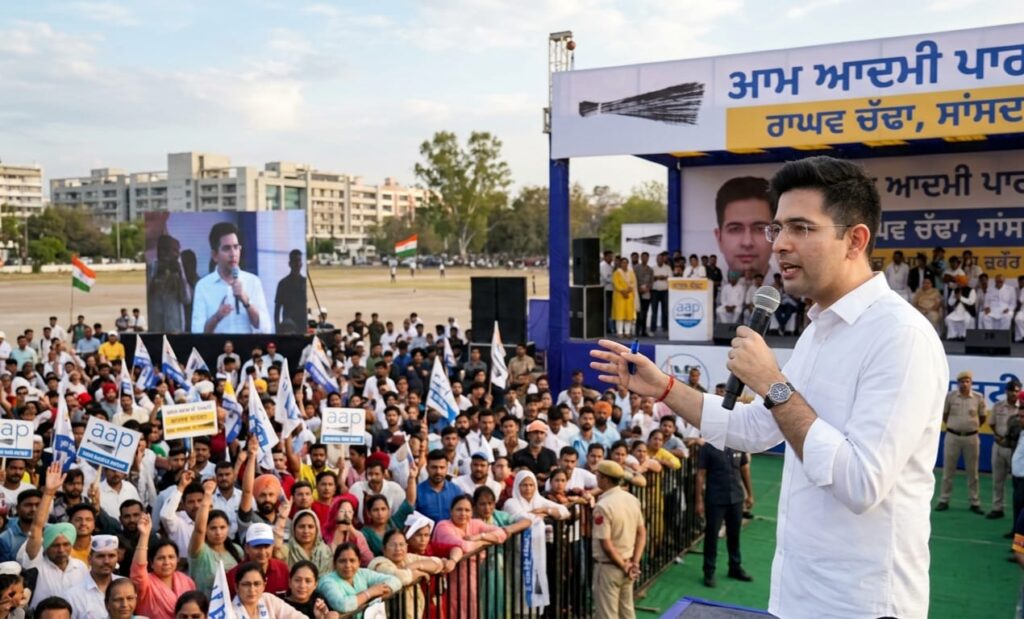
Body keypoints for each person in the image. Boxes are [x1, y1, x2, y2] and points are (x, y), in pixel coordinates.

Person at [590, 156, 948, 618]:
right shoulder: (819, 329)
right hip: (797, 596)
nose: (780, 245)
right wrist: (663, 389)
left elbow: (861, 482)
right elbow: (759, 427)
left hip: (861, 604)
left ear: (855, 240)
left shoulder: (901, 337)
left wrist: (774, 384)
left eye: (801, 227)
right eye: (777, 229)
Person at [18, 463, 89, 609]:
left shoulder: (80, 567)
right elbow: (37, 527)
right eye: (56, 545)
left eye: (66, 544)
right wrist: (48, 494)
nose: (62, 549)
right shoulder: (36, 564)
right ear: (46, 545)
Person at [432, 495, 508, 619]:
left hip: (474, 578)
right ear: (451, 511)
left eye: (467, 510)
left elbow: (502, 534)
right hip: (451, 579)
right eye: (459, 509)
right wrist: (485, 543)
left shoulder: (475, 524)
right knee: (455, 610)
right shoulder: (443, 526)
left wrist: (480, 536)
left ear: (472, 512)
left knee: (474, 609)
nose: (463, 514)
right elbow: (464, 546)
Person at [191, 221, 271, 334]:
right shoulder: (203, 286)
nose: (233, 253)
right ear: (214, 255)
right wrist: (217, 317)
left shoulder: (253, 281)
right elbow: (197, 332)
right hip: (217, 350)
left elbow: (265, 328)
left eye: (236, 247)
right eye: (226, 248)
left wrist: (246, 301)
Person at [590, 460, 645, 619]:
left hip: (609, 567)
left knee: (607, 614)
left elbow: (606, 543)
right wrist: (634, 562)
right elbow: (642, 532)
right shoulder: (631, 499)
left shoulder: (603, 506)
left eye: (599, 475)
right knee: (626, 612)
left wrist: (624, 566)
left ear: (606, 479)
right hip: (628, 563)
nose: (597, 478)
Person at [696, 440, 754, 588]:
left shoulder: (738, 445)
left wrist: (750, 494)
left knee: (734, 534)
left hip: (736, 497)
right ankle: (709, 571)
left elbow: (745, 469)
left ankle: (735, 567)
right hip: (715, 499)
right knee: (712, 535)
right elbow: (701, 474)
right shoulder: (707, 448)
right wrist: (699, 501)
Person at [936, 370, 987, 513]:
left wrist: (970, 427)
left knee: (973, 472)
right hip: (952, 437)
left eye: (967, 381)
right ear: (958, 383)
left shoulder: (978, 397)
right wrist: (955, 426)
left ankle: (974, 502)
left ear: (971, 383)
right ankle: (944, 500)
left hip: (971, 438)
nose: (964, 384)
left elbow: (982, 417)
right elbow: (945, 415)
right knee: (948, 471)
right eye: (961, 382)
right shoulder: (950, 397)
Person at [368, 530, 446, 619]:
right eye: (393, 545)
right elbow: (401, 577)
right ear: (384, 549)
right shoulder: (378, 563)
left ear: (406, 546)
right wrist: (419, 573)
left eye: (401, 544)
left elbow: (438, 563)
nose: (398, 549)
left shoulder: (408, 558)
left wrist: (416, 565)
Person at [130, 514, 196, 619]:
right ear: (151, 563)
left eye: (171, 557)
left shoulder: (186, 580)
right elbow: (138, 569)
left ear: (178, 559)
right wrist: (144, 535)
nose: (167, 562)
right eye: (161, 558)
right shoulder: (146, 583)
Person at [712, 176, 774, 278]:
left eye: (759, 229)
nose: (747, 242)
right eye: (735, 229)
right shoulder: (713, 290)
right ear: (719, 238)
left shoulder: (792, 292)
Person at [316, 543, 400, 613]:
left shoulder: (362, 573)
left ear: (359, 562)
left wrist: (381, 592)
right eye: (342, 561)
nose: (348, 565)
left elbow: (396, 581)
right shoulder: (327, 581)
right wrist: (370, 593)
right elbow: (343, 605)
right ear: (334, 563)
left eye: (352, 560)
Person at [65, 534, 121, 619]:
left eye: (111, 556)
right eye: (100, 556)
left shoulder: (125, 586)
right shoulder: (72, 596)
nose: (106, 561)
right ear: (90, 559)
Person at [231, 561, 312, 619]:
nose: (252, 590)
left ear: (264, 585)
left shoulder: (268, 599)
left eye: (257, 584)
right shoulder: (229, 612)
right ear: (236, 587)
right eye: (246, 584)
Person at [147, 234, 192, 333]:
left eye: (177, 251)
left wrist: (180, 274)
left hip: (175, 328)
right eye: (174, 250)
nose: (176, 254)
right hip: (156, 329)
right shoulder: (151, 268)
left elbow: (187, 299)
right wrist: (156, 274)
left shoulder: (178, 270)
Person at [990, 380, 1021, 519]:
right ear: (1006, 391)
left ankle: (1019, 510)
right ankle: (997, 508)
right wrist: (998, 436)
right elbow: (991, 423)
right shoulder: (998, 406)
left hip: (1015, 449)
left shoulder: (1022, 408)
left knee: (1018, 482)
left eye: (1016, 390)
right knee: (998, 479)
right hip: (999, 445)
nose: (1014, 393)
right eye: (1011, 390)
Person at [275, 249, 307, 334]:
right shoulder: (283, 284)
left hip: (303, 327)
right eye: (294, 261)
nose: (297, 264)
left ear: (302, 264)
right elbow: (277, 309)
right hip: (288, 328)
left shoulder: (305, 283)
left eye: (299, 261)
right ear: (290, 264)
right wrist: (277, 329)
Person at [610, 257, 636, 337]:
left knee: (628, 315)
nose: (624, 264)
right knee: (619, 315)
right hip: (619, 296)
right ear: (620, 264)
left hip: (629, 296)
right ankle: (620, 332)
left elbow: (633, 282)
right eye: (623, 262)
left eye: (626, 262)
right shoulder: (617, 272)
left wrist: (628, 290)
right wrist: (623, 291)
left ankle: (627, 332)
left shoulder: (631, 272)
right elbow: (615, 283)